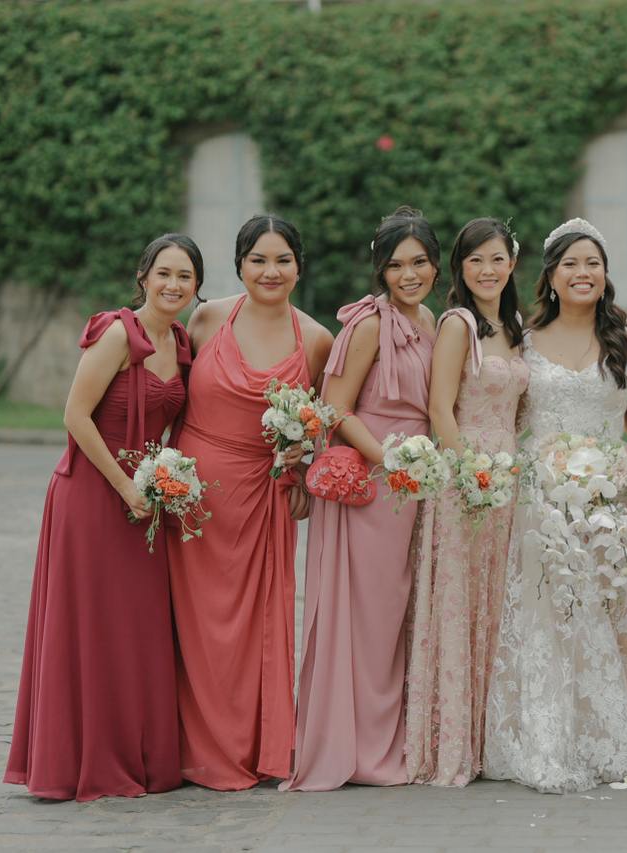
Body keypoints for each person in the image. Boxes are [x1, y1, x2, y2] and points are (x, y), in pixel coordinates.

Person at [5, 234, 202, 801]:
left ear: (197, 287)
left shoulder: (180, 343)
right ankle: (76, 761)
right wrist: (124, 486)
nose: (173, 285)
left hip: (146, 499)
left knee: (135, 627)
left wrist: (166, 481)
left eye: (185, 276)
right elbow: (75, 414)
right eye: (164, 273)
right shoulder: (118, 333)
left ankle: (135, 754)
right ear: (143, 277)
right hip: (92, 496)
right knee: (90, 625)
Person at [483, 217, 627, 793]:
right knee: (547, 618)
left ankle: (600, 733)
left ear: (606, 274)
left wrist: (616, 470)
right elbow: (510, 417)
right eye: (571, 264)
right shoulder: (524, 340)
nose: (583, 273)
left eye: (593, 264)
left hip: (611, 502)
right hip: (540, 501)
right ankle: (544, 737)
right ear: (552, 276)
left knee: (602, 620)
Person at [169, 215, 333, 790]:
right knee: (194, 628)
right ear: (239, 265)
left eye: (282, 260)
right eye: (258, 260)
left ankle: (249, 747)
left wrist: (304, 468)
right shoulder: (207, 318)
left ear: (299, 267)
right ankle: (189, 747)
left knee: (254, 629)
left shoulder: (316, 340)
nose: (270, 271)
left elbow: (322, 423)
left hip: (264, 499)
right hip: (193, 498)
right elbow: (167, 394)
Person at [284, 206, 438, 790]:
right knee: (369, 619)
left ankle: (389, 737)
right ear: (380, 270)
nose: (408, 275)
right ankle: (358, 748)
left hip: (414, 483)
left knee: (397, 615)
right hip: (375, 483)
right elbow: (336, 409)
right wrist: (389, 462)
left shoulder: (431, 320)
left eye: (419, 262)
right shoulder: (369, 323)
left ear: (434, 265)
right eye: (396, 265)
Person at [405, 217, 528, 786]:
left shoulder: (516, 327)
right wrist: (470, 474)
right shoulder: (458, 324)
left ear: (512, 263)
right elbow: (440, 409)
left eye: (497, 258)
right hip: (464, 478)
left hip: (509, 476)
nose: (487, 269)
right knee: (461, 602)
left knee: (497, 602)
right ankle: (453, 741)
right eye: (475, 260)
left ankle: (489, 738)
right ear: (460, 268)